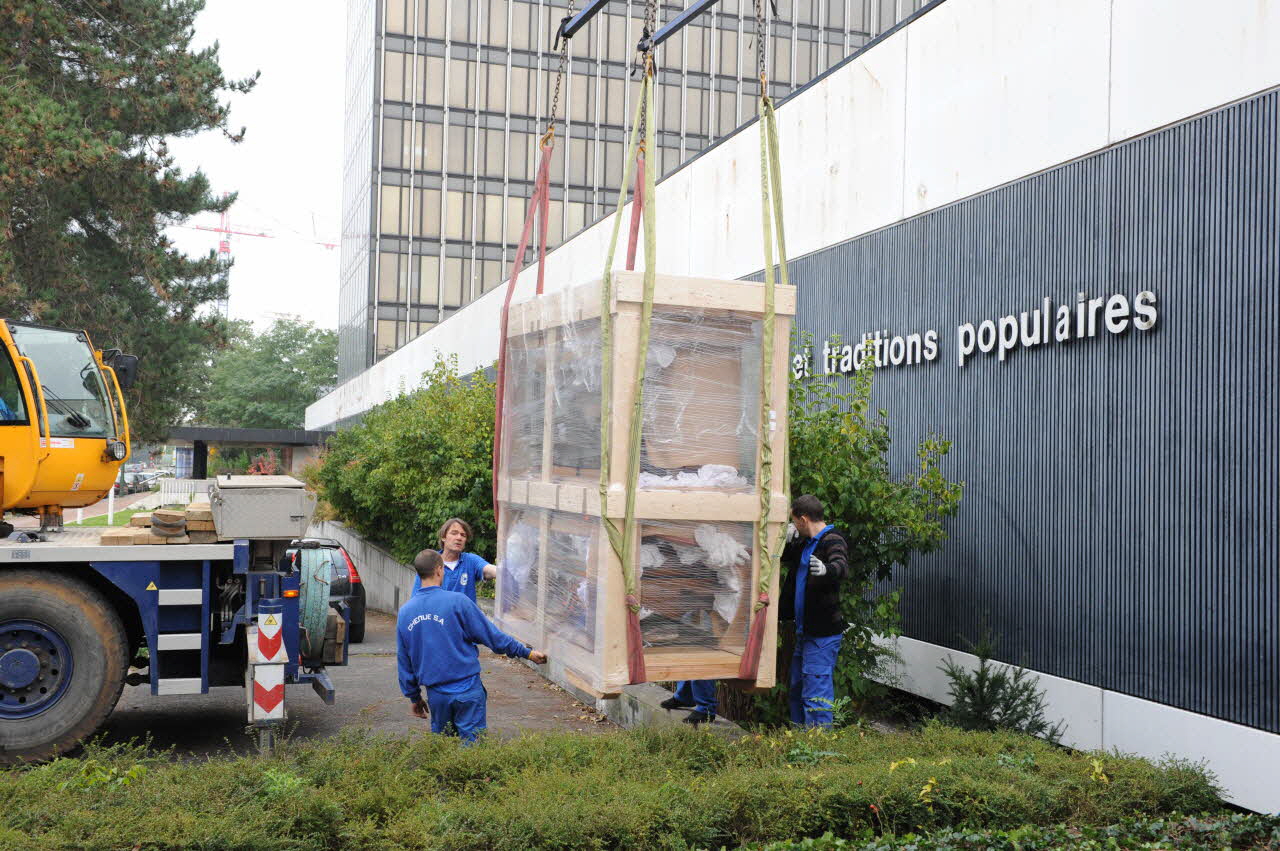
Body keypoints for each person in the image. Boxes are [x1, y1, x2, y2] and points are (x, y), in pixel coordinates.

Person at [397, 549, 547, 743]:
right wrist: (526, 653)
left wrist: (414, 697)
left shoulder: (405, 612)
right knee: (473, 749)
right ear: (439, 570)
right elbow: (493, 637)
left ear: (418, 573)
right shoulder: (458, 602)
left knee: (444, 747)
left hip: (436, 695)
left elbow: (404, 659)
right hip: (467, 689)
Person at [779, 494, 849, 728]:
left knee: (816, 694)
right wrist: (784, 537)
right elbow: (779, 556)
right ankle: (800, 742)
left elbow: (841, 565)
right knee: (798, 688)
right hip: (804, 633)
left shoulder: (832, 539)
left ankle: (817, 751)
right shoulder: (805, 542)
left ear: (804, 519)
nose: (796, 527)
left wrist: (826, 569)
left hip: (822, 636)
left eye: (795, 523)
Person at [411, 517, 497, 602]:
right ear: (443, 537)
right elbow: (416, 600)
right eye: (454, 533)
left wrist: (503, 571)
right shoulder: (430, 562)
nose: (459, 538)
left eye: (463, 535)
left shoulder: (471, 561)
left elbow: (490, 570)